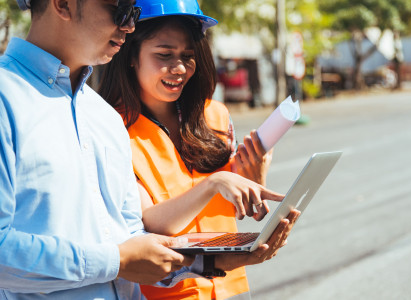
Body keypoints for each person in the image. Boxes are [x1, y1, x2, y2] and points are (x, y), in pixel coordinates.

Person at [0, 0, 299, 299]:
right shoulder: (7, 99)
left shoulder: (101, 118)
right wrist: (117, 262)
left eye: (134, 13)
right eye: (120, 10)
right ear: (63, 4)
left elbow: (133, 240)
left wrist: (209, 260)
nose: (129, 26)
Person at [99, 0, 300, 299]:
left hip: (228, 283)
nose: (179, 68)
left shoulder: (215, 116)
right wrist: (215, 183)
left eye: (188, 56)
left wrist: (255, 179)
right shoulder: (111, 127)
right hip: (163, 292)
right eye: (164, 55)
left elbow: (232, 212)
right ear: (130, 54)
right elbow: (150, 222)